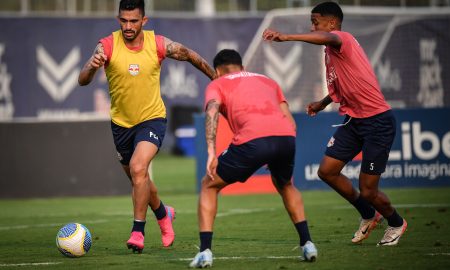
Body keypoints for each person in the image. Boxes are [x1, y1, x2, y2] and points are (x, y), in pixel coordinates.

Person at [262, 1, 407, 247]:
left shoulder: (342, 38)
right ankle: (369, 215)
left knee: (369, 190)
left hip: (377, 122)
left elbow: (326, 37)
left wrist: (286, 37)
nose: (312, 26)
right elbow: (342, 83)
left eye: (315, 22)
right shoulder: (331, 51)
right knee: (327, 172)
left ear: (331, 24)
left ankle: (396, 222)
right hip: (353, 120)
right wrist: (323, 102)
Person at [78, 0, 215, 253]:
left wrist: (217, 81)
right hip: (121, 125)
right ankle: (164, 214)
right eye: (123, 20)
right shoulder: (106, 45)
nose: (128, 26)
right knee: (138, 179)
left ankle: (138, 232)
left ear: (144, 20)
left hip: (152, 119)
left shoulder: (158, 44)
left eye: (133, 21)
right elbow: (82, 80)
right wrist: (91, 66)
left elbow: (191, 56)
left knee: (139, 168)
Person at [189, 49, 318, 268]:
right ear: (242, 67)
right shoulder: (268, 80)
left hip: (252, 141)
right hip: (285, 138)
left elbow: (211, 111)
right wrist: (276, 150)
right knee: (286, 184)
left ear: (218, 70)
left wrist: (211, 150)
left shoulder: (217, 83)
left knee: (209, 185)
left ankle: (205, 252)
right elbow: (291, 122)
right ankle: (308, 244)